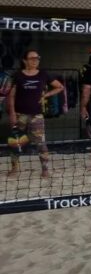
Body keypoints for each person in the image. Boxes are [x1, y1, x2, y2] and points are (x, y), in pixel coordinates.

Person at [6, 50, 64, 178]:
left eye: (37, 58)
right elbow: (11, 96)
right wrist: (12, 113)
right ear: (24, 60)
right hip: (19, 114)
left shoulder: (43, 74)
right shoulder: (17, 75)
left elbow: (60, 87)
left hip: (36, 115)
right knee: (16, 142)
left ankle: (45, 170)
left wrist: (46, 95)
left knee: (41, 144)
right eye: (32, 58)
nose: (35, 60)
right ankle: (14, 169)